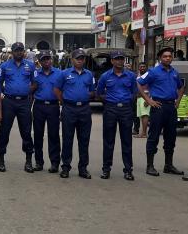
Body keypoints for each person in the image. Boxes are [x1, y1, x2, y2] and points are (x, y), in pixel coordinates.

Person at [137, 46, 185, 176]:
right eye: (165, 56)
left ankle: (168, 165)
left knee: (171, 137)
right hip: (158, 107)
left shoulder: (175, 72)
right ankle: (150, 166)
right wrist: (149, 100)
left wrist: (178, 101)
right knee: (153, 136)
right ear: (160, 58)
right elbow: (139, 83)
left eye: (170, 56)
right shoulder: (153, 71)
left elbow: (181, 87)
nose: (168, 58)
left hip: (171, 108)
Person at [96, 51, 137, 180]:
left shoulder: (131, 76)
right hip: (110, 109)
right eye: (116, 59)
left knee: (127, 141)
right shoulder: (105, 76)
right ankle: (106, 169)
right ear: (112, 61)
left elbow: (134, 93)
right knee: (108, 141)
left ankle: (128, 170)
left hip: (125, 109)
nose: (119, 61)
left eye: (121, 59)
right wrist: (108, 101)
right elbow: (99, 93)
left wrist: (127, 101)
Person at [0, 42, 35, 172]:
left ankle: (28, 161)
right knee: (4, 131)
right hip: (9, 102)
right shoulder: (4, 66)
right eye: (16, 50)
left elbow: (35, 83)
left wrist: (26, 91)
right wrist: (8, 90)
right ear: (12, 52)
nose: (19, 52)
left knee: (26, 132)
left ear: (24, 52)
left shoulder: (30, 65)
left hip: (24, 103)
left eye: (21, 50)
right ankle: (1, 160)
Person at [56, 48, 95, 179]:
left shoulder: (89, 74)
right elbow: (57, 90)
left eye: (82, 58)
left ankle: (83, 168)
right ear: (72, 60)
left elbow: (92, 91)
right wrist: (65, 102)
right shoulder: (64, 74)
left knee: (84, 140)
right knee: (67, 139)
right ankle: (65, 167)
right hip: (69, 109)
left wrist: (82, 96)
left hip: (84, 109)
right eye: (77, 58)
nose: (80, 60)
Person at [30, 50, 63, 173]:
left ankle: (55, 163)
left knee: (53, 135)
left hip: (53, 106)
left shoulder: (59, 74)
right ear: (40, 61)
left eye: (48, 58)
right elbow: (31, 90)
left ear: (52, 59)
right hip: (39, 106)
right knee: (38, 135)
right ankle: (39, 162)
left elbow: (63, 90)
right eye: (43, 59)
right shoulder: (36, 75)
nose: (46, 61)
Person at [135, 62, 150, 137]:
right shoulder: (138, 75)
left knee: (145, 115)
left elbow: (152, 87)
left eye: (144, 66)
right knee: (141, 116)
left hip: (145, 97)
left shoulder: (148, 76)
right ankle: (143, 132)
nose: (142, 68)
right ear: (138, 68)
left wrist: (148, 99)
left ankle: (144, 133)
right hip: (139, 98)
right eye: (141, 67)